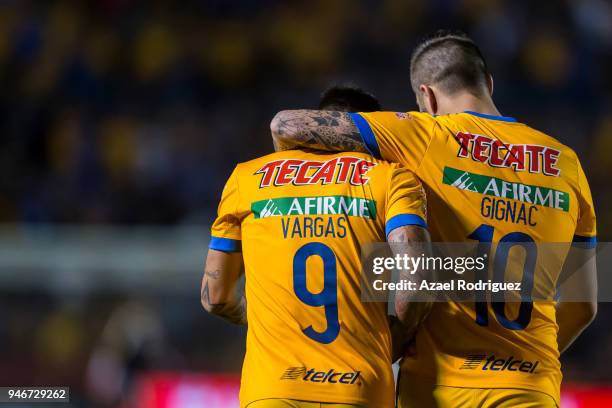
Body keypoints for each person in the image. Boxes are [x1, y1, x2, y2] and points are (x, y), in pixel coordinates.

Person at [269, 31, 597, 407]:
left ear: (427, 96)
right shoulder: (566, 163)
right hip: (529, 388)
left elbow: (287, 125)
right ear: (487, 83)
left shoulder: (425, 134)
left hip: (438, 386)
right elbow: (582, 307)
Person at [202, 85, 432, 408]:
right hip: (360, 390)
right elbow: (419, 273)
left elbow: (214, 297)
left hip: (272, 390)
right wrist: (397, 336)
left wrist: (262, 313)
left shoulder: (246, 178)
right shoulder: (391, 178)